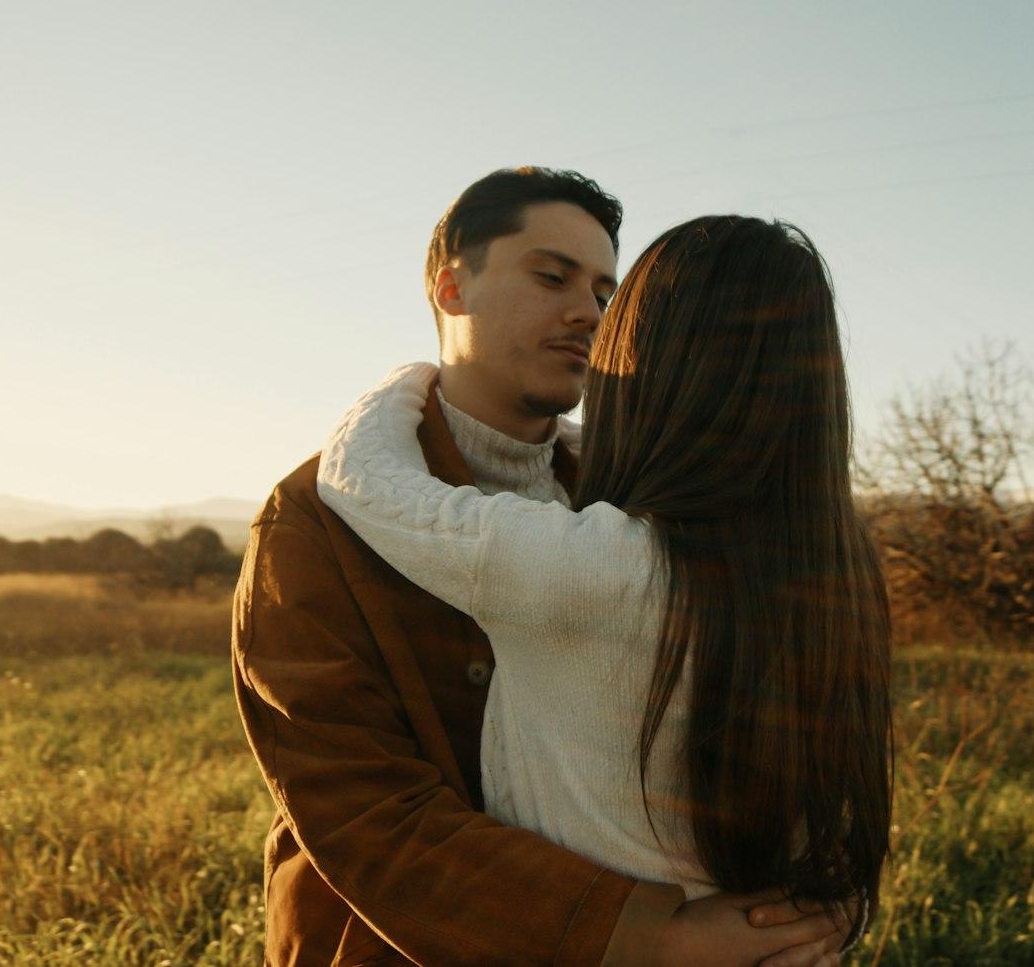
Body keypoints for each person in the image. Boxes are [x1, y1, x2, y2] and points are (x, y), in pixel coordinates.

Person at [232, 171, 852, 966]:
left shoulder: (636, 506)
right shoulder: (316, 518)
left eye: (605, 290)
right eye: (551, 276)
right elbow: (357, 805)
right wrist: (641, 935)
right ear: (450, 286)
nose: (588, 312)